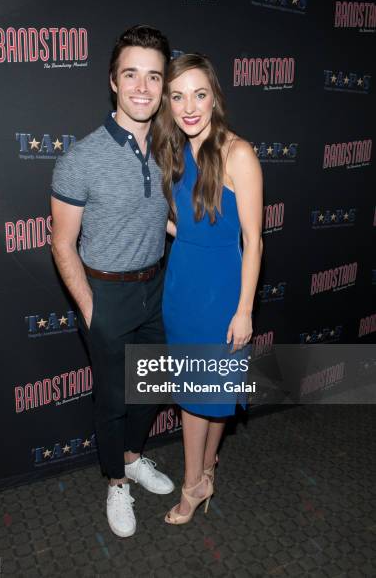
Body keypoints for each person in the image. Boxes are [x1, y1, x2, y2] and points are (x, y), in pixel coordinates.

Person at [50, 25, 174, 538]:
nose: (142, 87)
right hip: (106, 293)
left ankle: (133, 457)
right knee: (113, 399)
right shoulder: (80, 158)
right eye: (131, 75)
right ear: (113, 81)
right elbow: (61, 243)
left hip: (156, 289)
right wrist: (90, 307)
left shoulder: (169, 151)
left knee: (151, 387)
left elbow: (167, 219)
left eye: (153, 76)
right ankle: (115, 483)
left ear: (164, 86)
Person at [152, 53, 263, 524]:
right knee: (200, 393)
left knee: (205, 396)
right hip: (182, 286)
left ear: (215, 96)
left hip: (221, 294)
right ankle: (205, 474)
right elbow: (188, 226)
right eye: (177, 96)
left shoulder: (238, 152)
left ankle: (192, 485)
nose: (189, 106)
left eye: (199, 94)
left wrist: (244, 310)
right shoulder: (178, 153)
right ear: (168, 104)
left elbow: (253, 240)